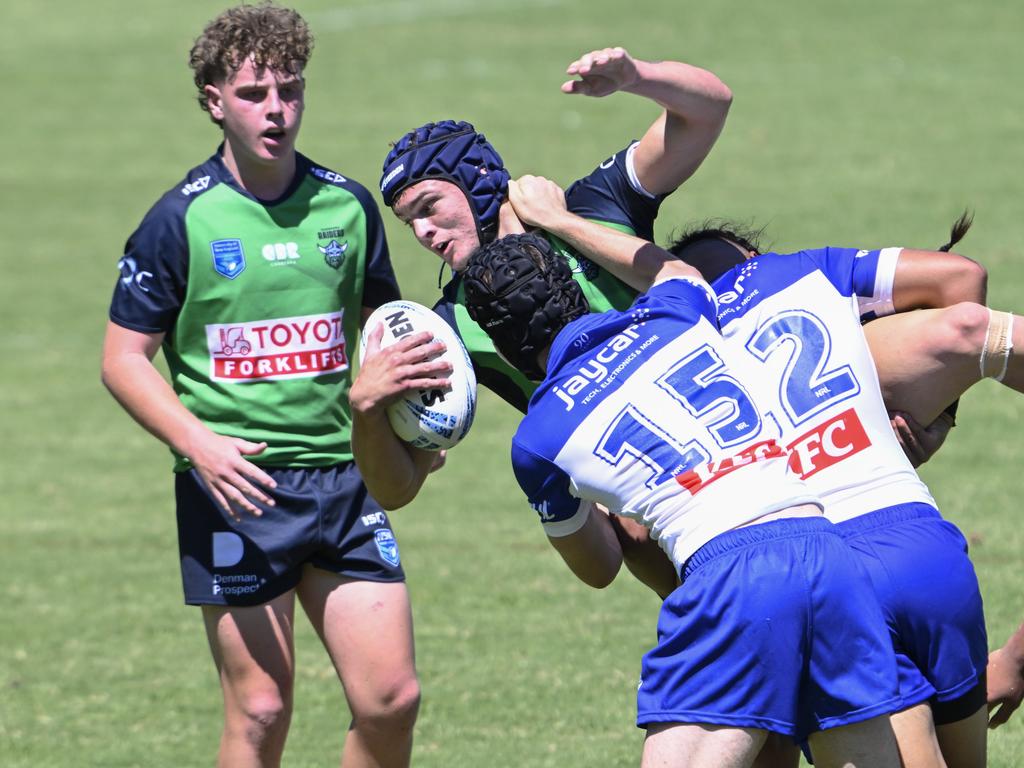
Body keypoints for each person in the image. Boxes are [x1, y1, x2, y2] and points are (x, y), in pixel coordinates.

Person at [504, 176, 994, 767]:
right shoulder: (791, 277)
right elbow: (963, 281)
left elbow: (610, 558)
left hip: (768, 569)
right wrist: (930, 414)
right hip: (902, 541)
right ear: (752, 257)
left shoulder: (680, 333)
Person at [101, 5, 422, 766]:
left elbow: (389, 333)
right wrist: (198, 445)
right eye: (253, 94)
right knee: (261, 706)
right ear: (214, 100)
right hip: (237, 487)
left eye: (290, 89)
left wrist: (411, 425)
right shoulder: (180, 220)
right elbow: (122, 358)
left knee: (392, 698)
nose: (276, 109)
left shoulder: (346, 206)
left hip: (347, 479)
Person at [461, 232, 903, 768]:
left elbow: (598, 567)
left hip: (732, 576)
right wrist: (555, 218)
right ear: (573, 288)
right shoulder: (677, 308)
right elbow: (676, 272)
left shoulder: (537, 441)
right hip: (828, 551)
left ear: (503, 343)